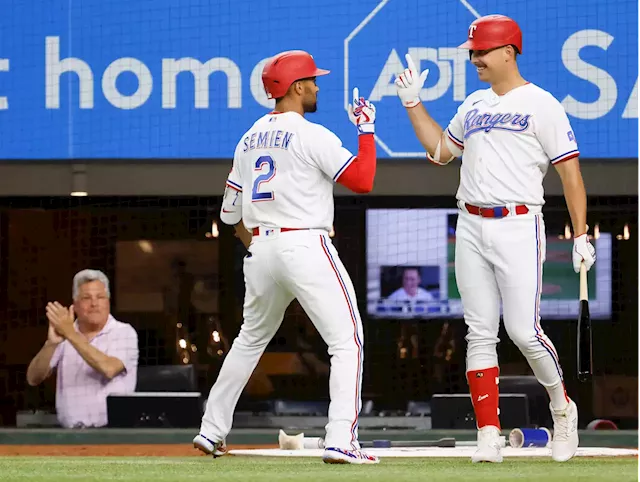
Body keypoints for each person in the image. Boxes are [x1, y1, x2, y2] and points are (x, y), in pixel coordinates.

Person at [394, 15, 595, 463]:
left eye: (481, 51)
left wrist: (581, 234)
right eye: (472, 52)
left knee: (524, 331)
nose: (474, 58)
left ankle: (563, 411)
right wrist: (412, 103)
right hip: (470, 224)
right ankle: (489, 433)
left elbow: (570, 173)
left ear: (509, 52)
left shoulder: (543, 104)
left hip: (519, 225)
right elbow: (439, 154)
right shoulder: (473, 104)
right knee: (478, 334)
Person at [193, 50, 379, 464]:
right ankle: (340, 440)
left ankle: (210, 431)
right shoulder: (311, 134)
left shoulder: (248, 137)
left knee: (248, 340)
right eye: (311, 80)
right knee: (347, 343)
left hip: (261, 249)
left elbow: (228, 215)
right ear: (296, 87)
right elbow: (363, 180)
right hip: (305, 244)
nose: (316, 86)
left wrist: (259, 244)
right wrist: (366, 130)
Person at [26, 269, 139, 428]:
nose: (94, 304)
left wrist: (70, 333)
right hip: (69, 435)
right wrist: (51, 344)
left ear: (108, 301)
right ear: (75, 304)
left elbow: (109, 368)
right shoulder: (66, 333)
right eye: (86, 298)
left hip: (112, 434)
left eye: (100, 297)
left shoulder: (124, 332)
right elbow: (33, 378)